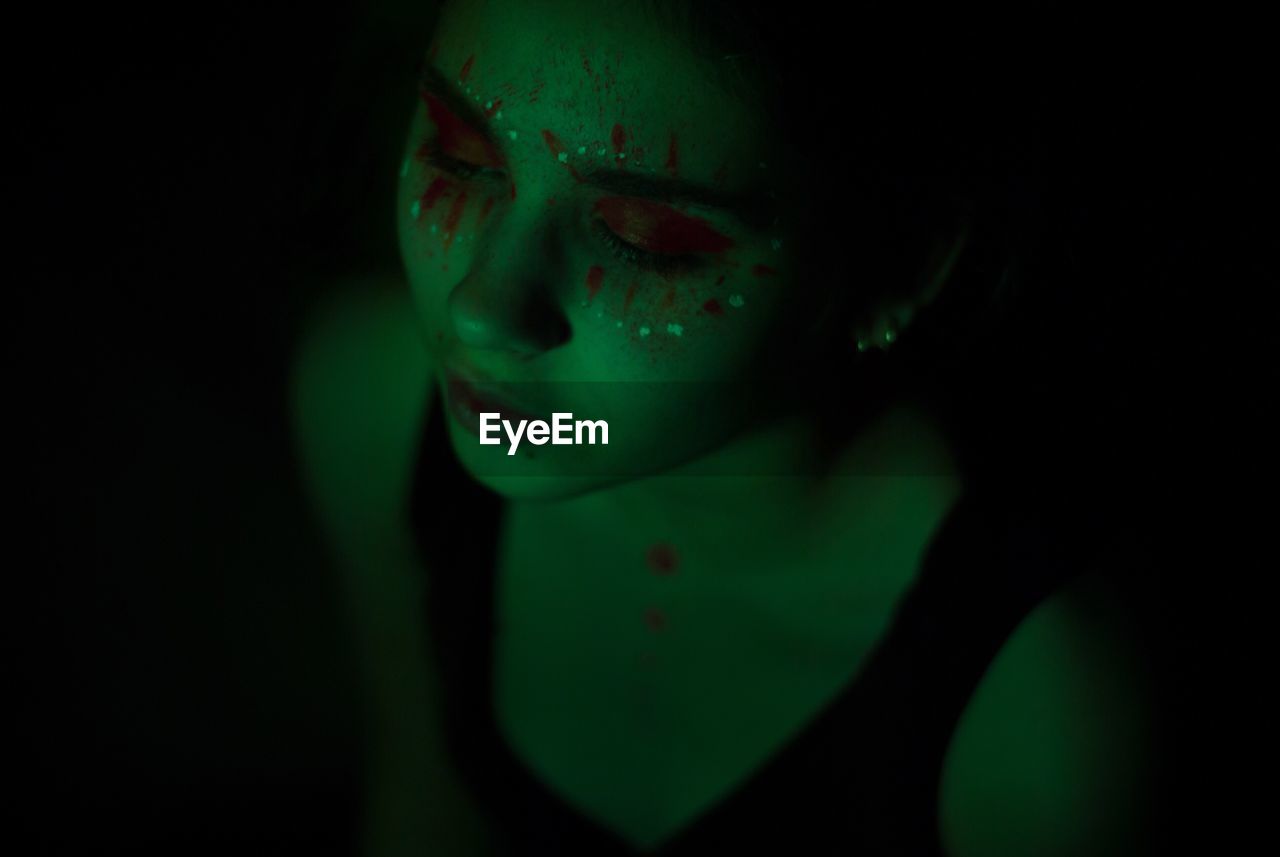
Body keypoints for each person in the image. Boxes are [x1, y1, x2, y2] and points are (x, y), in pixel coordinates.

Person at [292, 1, 1156, 854]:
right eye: (462, 152)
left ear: (900, 266)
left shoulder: (1044, 709)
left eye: (645, 241)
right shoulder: (375, 397)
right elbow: (426, 806)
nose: (482, 308)